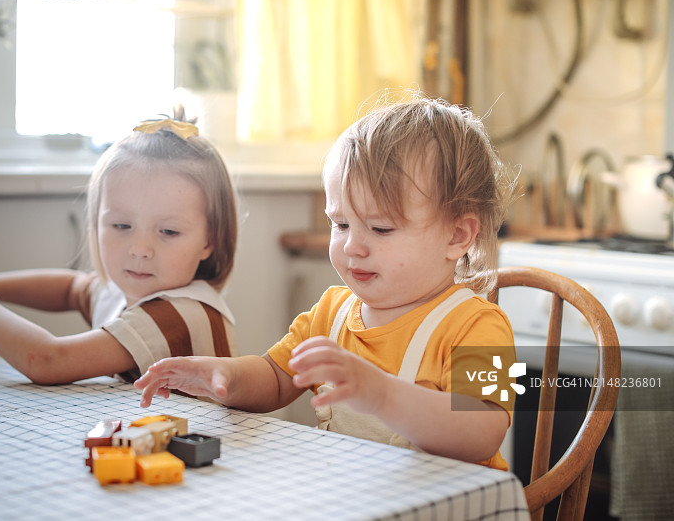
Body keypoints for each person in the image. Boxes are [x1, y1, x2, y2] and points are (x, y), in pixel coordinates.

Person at [135, 94, 517, 470]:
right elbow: (275, 377)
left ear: (457, 236)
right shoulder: (331, 313)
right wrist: (225, 376)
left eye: (381, 228)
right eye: (341, 223)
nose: (352, 246)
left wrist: (382, 394)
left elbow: (483, 431)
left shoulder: (481, 325)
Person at [0, 107, 239, 385]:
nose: (140, 248)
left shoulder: (181, 313)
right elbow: (71, 289)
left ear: (208, 241)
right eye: (122, 226)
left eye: (168, 231)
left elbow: (47, 361)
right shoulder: (122, 291)